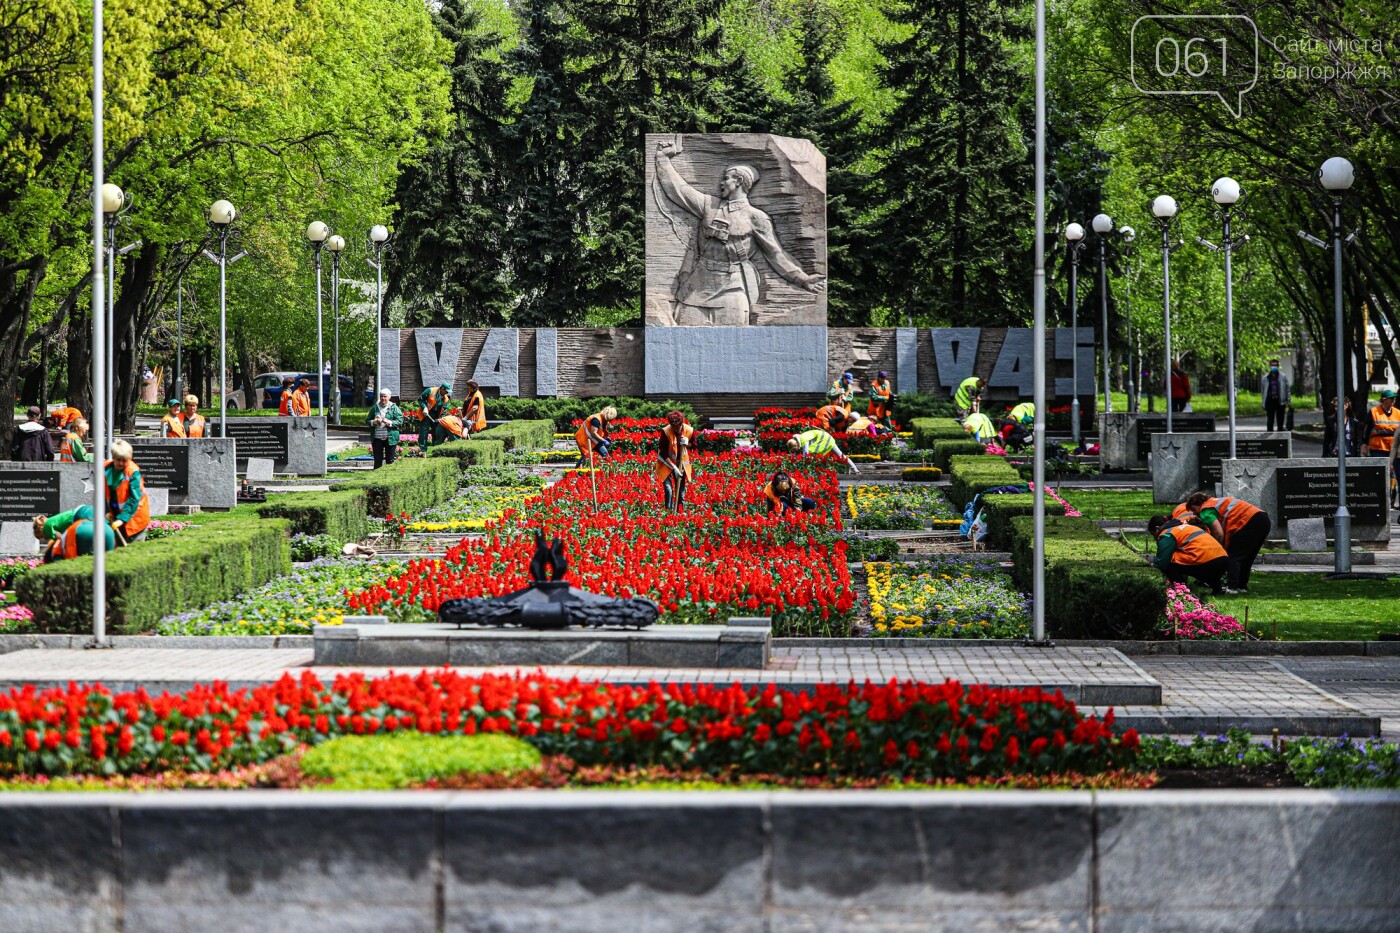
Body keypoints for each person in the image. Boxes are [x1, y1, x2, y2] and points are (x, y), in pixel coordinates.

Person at [652, 140, 825, 326]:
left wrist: (802, 278)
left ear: (739, 181)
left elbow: (775, 254)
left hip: (732, 288)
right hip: (697, 287)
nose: (721, 183)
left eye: (726, 178)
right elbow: (679, 190)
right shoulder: (709, 205)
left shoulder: (756, 217)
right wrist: (663, 159)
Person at [1185, 492, 1271, 593]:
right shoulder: (1215, 502)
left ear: (1199, 504)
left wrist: (1216, 550)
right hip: (1263, 519)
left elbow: (1219, 533)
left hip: (1249, 522)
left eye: (1194, 510)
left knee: (1233, 556)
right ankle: (1241, 586)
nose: (1195, 514)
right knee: (1247, 557)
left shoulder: (1205, 511)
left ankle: (1232, 587)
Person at [1147, 514, 1230, 594]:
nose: (1155, 538)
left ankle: (1180, 590)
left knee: (1170, 561)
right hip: (1223, 560)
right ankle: (1218, 587)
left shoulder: (1167, 533)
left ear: (1157, 528)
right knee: (1193, 562)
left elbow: (1162, 561)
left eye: (1153, 534)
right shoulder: (1186, 527)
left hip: (1206, 562)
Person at [104, 439, 150, 545]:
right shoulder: (105, 468)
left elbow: (134, 499)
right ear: (113, 457)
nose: (121, 463)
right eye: (118, 460)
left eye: (124, 460)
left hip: (135, 519)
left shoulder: (133, 472)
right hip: (116, 516)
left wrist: (122, 519)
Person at [32, 505, 116, 564]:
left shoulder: (46, 528)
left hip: (79, 517)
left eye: (42, 537)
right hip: (86, 509)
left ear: (40, 531)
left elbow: (61, 538)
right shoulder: (51, 520)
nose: (46, 538)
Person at [655, 410, 694, 511]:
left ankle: (679, 513)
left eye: (678, 427)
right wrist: (674, 467)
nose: (675, 429)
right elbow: (663, 452)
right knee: (669, 490)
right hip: (666, 464)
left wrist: (687, 443)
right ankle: (668, 513)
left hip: (681, 464)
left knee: (680, 492)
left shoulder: (689, 430)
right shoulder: (666, 431)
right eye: (673, 427)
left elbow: (694, 445)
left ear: (682, 423)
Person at [787, 428, 861, 473]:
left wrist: (800, 468)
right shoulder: (799, 441)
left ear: (796, 445)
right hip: (825, 439)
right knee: (840, 455)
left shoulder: (803, 440)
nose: (794, 451)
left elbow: (805, 455)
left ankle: (855, 469)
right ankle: (854, 469)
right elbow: (796, 455)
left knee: (840, 455)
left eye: (794, 449)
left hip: (826, 440)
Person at [367, 389, 403, 469]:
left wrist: (389, 422)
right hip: (377, 438)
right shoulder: (374, 408)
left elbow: (400, 421)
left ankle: (389, 477)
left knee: (390, 460)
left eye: (385, 396)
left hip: (390, 438)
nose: (383, 398)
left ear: (389, 397)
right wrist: (374, 422)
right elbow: (367, 420)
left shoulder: (394, 408)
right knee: (377, 460)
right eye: (381, 396)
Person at [1364, 389, 1399, 459]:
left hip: (1394, 448)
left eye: (1394, 398)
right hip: (1378, 448)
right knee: (1379, 469)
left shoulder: (1398, 413)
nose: (1393, 400)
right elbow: (1366, 430)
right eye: (1391, 398)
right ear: (1384, 400)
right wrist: (1364, 444)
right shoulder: (1374, 412)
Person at [417, 382, 450, 451]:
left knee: (436, 432)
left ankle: (436, 450)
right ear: (442, 389)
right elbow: (421, 399)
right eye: (446, 391)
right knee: (424, 432)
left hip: (436, 416)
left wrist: (440, 419)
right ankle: (422, 450)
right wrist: (424, 408)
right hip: (426, 414)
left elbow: (444, 410)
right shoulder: (430, 390)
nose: (447, 393)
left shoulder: (446, 399)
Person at [1261, 359, 1291, 432]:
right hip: (1270, 401)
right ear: (1270, 366)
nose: (1273, 367)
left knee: (1280, 420)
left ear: (1278, 366)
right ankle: (1270, 437)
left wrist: (1288, 401)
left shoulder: (1283, 377)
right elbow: (1263, 391)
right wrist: (1263, 403)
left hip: (1280, 401)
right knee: (1270, 420)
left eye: (1275, 365)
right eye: (1272, 365)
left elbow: (1287, 389)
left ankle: (1280, 436)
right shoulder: (1266, 378)